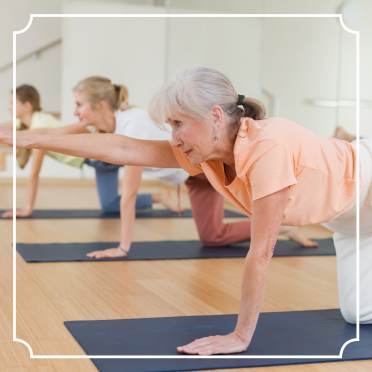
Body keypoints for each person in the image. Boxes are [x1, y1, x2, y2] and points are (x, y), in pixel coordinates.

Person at [4, 67, 360, 355]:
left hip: (367, 187)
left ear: (215, 116)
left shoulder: (268, 146)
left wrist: (240, 336)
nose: (173, 138)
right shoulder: (207, 154)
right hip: (342, 218)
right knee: (358, 313)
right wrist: (31, 139)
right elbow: (122, 148)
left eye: (178, 124)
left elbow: (261, 253)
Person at [0, 83, 179, 219]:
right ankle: (158, 196)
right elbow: (6, 129)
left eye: (12, 103)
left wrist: (27, 208)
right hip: (95, 159)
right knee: (109, 205)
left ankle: (158, 196)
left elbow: (34, 173)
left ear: (27, 106)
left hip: (100, 159)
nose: (8, 107)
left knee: (111, 204)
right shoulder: (30, 121)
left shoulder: (40, 124)